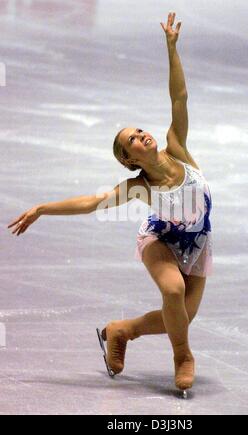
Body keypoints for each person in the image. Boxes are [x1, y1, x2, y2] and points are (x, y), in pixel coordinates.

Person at [7, 12, 213, 396]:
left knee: (183, 316)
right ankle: (183, 357)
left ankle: (120, 331)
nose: (140, 135)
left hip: (198, 243)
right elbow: (93, 202)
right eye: (131, 140)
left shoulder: (178, 148)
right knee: (173, 295)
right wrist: (41, 208)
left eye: (138, 130)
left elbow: (179, 97)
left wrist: (172, 48)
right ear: (129, 159)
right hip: (161, 242)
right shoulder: (140, 187)